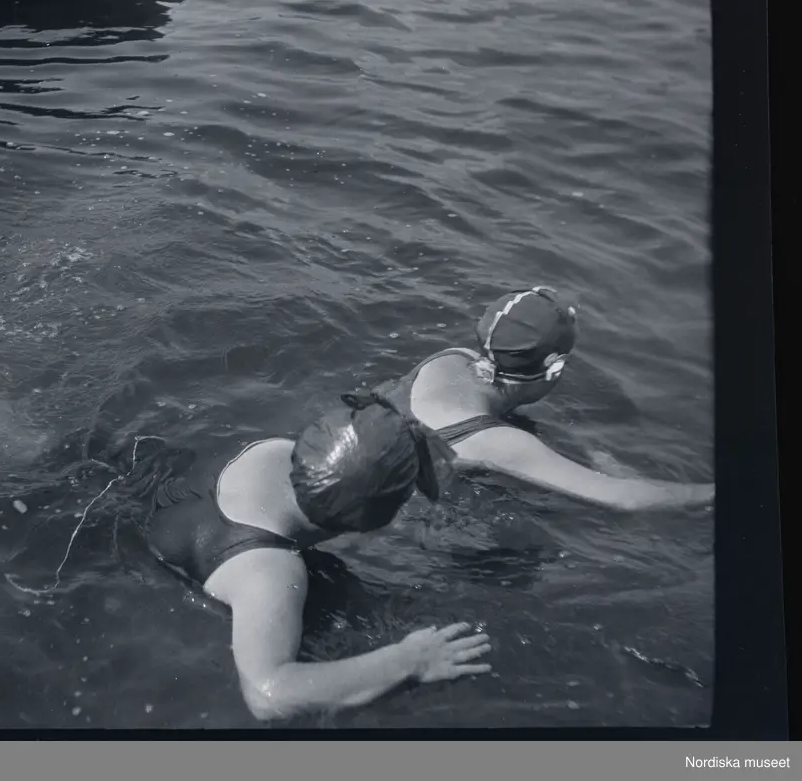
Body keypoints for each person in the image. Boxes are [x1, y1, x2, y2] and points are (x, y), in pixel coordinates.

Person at [147, 389, 492, 722]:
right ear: (372, 524)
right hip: (157, 575)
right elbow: (267, 694)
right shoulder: (271, 574)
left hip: (156, 496)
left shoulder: (274, 449)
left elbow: (354, 468)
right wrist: (407, 661)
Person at [371, 287, 714, 512]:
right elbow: (626, 499)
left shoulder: (450, 358)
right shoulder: (499, 443)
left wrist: (589, 452)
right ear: (554, 367)